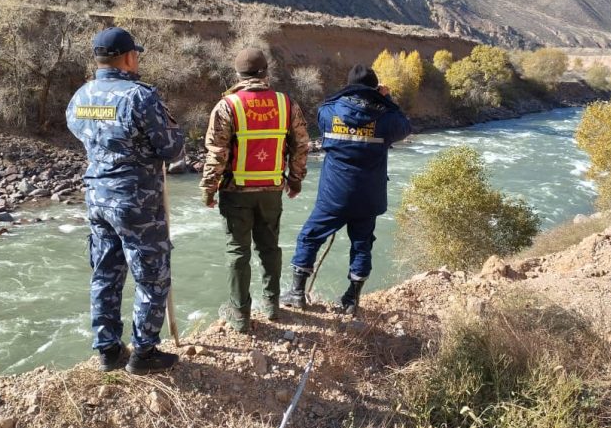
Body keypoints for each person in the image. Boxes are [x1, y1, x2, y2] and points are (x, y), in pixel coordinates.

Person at [66, 27, 184, 375]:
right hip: (136, 200)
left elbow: (77, 130)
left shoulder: (81, 95)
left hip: (96, 196)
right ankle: (143, 353)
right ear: (129, 57)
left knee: (105, 273)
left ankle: (107, 350)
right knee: (152, 276)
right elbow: (173, 149)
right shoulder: (139, 96)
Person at [281, 64, 411, 315]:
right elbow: (404, 125)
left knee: (310, 236)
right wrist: (387, 99)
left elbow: (322, 114)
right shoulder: (386, 118)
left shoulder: (329, 112)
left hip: (334, 194)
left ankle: (297, 293)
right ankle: (351, 299)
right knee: (362, 245)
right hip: (368, 196)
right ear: (375, 90)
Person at [201, 48, 309, 333]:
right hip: (271, 190)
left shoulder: (227, 106)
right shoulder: (286, 104)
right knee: (270, 247)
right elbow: (301, 145)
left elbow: (216, 153)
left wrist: (209, 189)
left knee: (238, 252)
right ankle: (272, 306)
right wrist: (295, 180)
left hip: (235, 192)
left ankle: (240, 317)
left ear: (238, 75)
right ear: (266, 72)